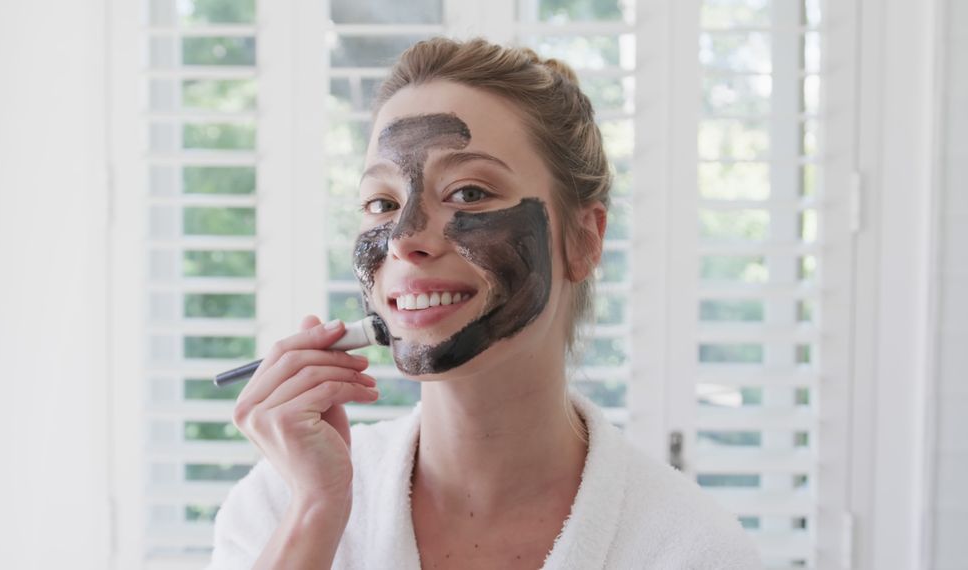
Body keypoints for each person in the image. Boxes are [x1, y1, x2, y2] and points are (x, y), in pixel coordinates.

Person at [208, 37, 761, 569]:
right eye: (381, 202)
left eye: (469, 192)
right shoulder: (277, 508)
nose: (404, 237)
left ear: (584, 239)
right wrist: (315, 512)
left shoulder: (692, 550)